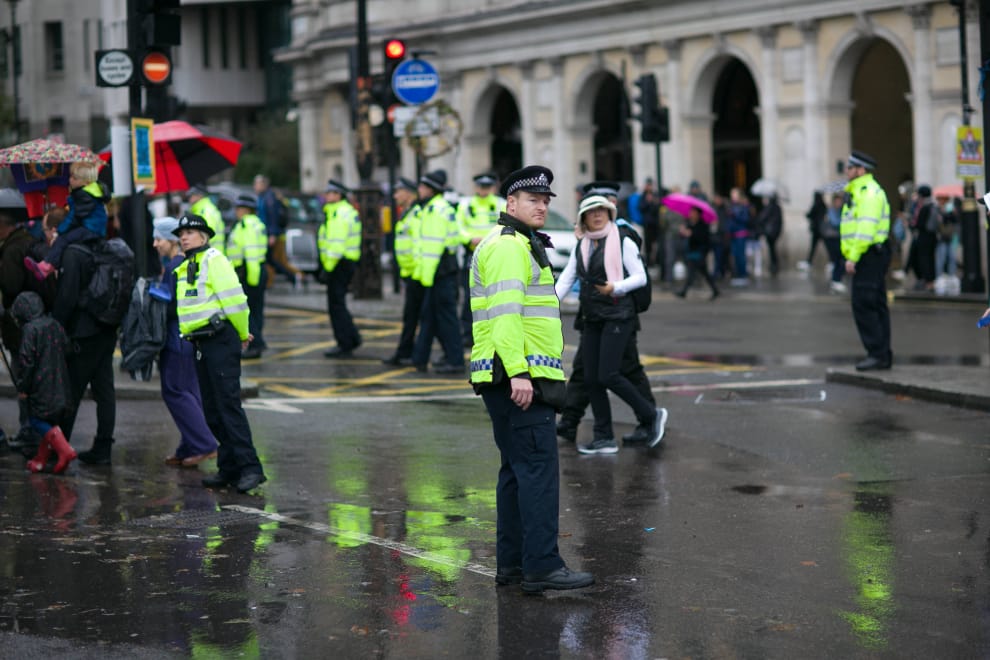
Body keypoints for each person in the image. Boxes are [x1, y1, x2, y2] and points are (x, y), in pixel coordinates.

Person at [469, 164, 594, 593]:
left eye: (545, 200)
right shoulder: (508, 247)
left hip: (506, 375)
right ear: (511, 204)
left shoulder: (515, 243)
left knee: (516, 472)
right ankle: (542, 565)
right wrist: (520, 373)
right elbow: (506, 316)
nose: (541, 206)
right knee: (537, 470)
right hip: (519, 377)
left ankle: (515, 566)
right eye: (533, 200)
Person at [554, 195, 666, 455]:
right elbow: (566, 279)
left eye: (602, 211)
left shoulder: (622, 240)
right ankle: (604, 437)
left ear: (609, 213)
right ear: (584, 219)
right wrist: (546, 305)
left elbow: (639, 276)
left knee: (608, 375)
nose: (597, 215)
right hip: (592, 316)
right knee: (592, 379)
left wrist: (616, 287)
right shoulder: (581, 246)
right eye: (591, 212)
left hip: (618, 315)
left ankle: (651, 414)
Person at [172, 213, 266, 493]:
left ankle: (251, 468)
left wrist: (241, 333)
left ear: (204, 236)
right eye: (181, 233)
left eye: (190, 232)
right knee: (212, 411)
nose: (184, 237)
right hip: (200, 343)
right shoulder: (187, 265)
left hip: (220, 340)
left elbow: (236, 302)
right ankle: (229, 468)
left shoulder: (215, 260)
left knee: (228, 407)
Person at [51, 217, 120, 464]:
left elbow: (67, 298)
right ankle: (103, 448)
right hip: (107, 328)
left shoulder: (73, 253)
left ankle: (60, 448)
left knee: (72, 392)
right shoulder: (102, 246)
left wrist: (56, 327)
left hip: (83, 332)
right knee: (104, 391)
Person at [151, 217, 218, 467]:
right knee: (188, 392)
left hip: (176, 340)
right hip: (188, 340)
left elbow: (172, 307)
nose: (155, 244)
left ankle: (204, 444)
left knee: (176, 391)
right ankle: (189, 446)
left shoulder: (174, 267)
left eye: (159, 239)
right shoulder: (186, 263)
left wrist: (152, 296)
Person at [13, 292, 76, 474]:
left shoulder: (30, 330)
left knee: (36, 420)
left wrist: (23, 387)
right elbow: (67, 348)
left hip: (41, 387)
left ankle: (64, 449)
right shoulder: (54, 324)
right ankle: (41, 460)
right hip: (60, 384)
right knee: (50, 421)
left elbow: (26, 362)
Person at [841, 150, 892, 371]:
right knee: (876, 304)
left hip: (868, 254)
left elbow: (866, 229)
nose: (847, 171)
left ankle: (877, 354)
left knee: (865, 305)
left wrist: (853, 257)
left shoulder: (868, 193)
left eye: (850, 168)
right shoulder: (859, 192)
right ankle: (882, 354)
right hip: (871, 253)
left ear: (860, 170)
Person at [412, 170, 465, 374]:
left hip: (439, 271)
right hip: (441, 271)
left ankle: (455, 360)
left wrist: (425, 277)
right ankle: (420, 358)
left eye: (422, 187)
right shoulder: (436, 207)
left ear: (430, 189)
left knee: (446, 317)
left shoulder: (435, 210)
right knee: (430, 315)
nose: (419, 190)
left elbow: (433, 248)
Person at [25, 161, 109, 280]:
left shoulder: (83, 196)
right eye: (71, 176)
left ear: (86, 182)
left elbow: (74, 217)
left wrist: (61, 230)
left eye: (75, 178)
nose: (70, 180)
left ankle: (46, 266)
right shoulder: (89, 192)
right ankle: (48, 265)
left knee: (64, 239)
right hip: (92, 227)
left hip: (91, 229)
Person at [456, 172, 504, 345]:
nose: (484, 190)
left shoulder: (500, 204)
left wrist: (488, 241)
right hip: (472, 254)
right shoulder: (466, 204)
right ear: (475, 187)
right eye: (481, 187)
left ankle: (492, 333)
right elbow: (459, 226)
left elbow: (504, 226)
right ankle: (468, 334)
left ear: (493, 187)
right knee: (471, 296)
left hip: (494, 255)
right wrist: (469, 239)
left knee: (493, 295)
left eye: (487, 187)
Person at [318, 179, 363, 358]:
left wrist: (327, 269)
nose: (327, 196)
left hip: (338, 264)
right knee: (339, 304)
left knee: (336, 306)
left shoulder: (339, 213)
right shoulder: (343, 211)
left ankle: (345, 343)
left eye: (330, 193)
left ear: (338, 195)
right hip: (344, 263)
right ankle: (352, 337)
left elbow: (336, 245)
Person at [383, 177, 424, 366]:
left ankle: (408, 353)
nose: (395, 195)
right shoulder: (407, 213)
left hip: (416, 273)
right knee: (415, 316)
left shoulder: (416, 214)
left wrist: (415, 272)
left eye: (398, 191)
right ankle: (408, 352)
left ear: (408, 193)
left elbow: (418, 245)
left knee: (416, 316)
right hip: (409, 273)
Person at [227, 194, 269, 359]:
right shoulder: (256, 223)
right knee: (257, 311)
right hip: (256, 270)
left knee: (247, 310)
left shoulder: (247, 225)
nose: (236, 211)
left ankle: (256, 344)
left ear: (245, 209)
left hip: (249, 271)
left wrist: (252, 279)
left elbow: (251, 253)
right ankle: (255, 344)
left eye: (238, 208)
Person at [254, 174, 302, 289]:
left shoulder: (269, 198)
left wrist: (272, 234)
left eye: (256, 184)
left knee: (274, 260)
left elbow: (272, 217)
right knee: (272, 260)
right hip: (266, 234)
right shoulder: (263, 196)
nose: (254, 186)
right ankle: (291, 277)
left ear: (263, 184)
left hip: (271, 234)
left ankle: (295, 276)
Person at [675, 206, 719, 300]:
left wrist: (691, 234)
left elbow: (702, 238)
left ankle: (684, 291)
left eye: (693, 213)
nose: (691, 214)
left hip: (700, 252)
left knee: (692, 272)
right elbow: (684, 236)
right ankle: (715, 290)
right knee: (704, 272)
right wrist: (683, 232)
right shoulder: (690, 224)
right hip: (692, 252)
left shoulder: (702, 225)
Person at [186, 185, 226, 252]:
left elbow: (206, 236)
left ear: (199, 195)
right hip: (212, 253)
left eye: (191, 195)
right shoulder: (203, 209)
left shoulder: (205, 211)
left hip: (209, 255)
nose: (189, 199)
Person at [727, 187, 751, 286]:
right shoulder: (731, 206)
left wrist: (735, 215)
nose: (733, 196)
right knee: (735, 255)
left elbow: (745, 219)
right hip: (733, 234)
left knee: (741, 256)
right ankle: (737, 274)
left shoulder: (743, 206)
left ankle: (743, 274)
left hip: (741, 234)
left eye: (735, 194)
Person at [822, 193, 846, 293]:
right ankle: (835, 280)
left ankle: (836, 279)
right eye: (837, 201)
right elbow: (835, 223)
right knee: (837, 259)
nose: (839, 203)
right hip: (832, 238)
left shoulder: (841, 210)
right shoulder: (831, 211)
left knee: (839, 259)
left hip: (838, 237)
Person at [798, 191, 827, 271]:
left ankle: (809, 262)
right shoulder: (823, 205)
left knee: (814, 247)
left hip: (816, 229)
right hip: (821, 229)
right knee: (824, 246)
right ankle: (832, 261)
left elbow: (810, 214)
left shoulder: (816, 205)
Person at [756, 194, 783, 277]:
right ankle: (774, 264)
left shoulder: (770, 207)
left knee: (772, 249)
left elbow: (762, 218)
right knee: (773, 248)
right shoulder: (778, 207)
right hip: (775, 232)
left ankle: (773, 265)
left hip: (770, 232)